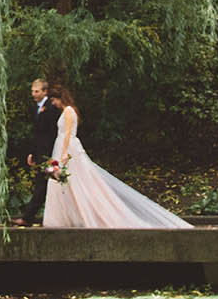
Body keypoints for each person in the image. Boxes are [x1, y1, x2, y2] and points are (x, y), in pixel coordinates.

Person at [41, 82, 191, 229]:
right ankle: (70, 216)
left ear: (60, 98)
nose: (53, 103)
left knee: (79, 182)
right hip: (63, 146)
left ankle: (87, 214)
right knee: (67, 182)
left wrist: (65, 153)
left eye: (54, 100)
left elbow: (68, 133)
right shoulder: (67, 111)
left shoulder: (68, 111)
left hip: (68, 148)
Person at [12, 78, 61, 226]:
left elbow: (53, 133)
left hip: (50, 155)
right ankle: (29, 217)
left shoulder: (51, 108)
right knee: (44, 183)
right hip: (40, 154)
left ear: (45, 92)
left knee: (42, 183)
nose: (33, 94)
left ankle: (27, 218)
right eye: (32, 91)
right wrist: (33, 153)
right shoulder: (37, 108)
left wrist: (51, 157)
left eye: (37, 91)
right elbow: (37, 135)